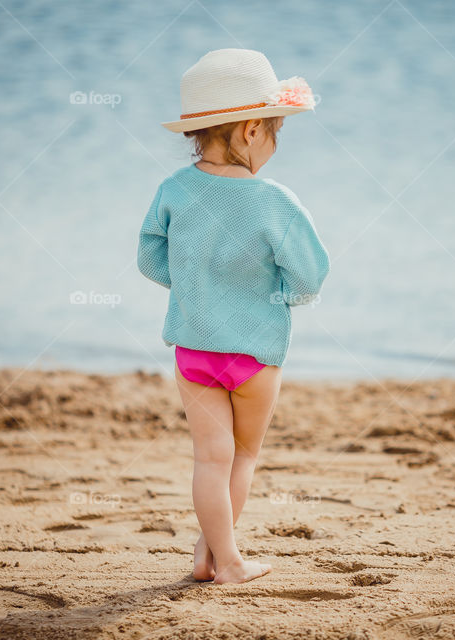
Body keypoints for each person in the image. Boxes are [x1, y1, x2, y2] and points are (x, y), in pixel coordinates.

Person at [137, 49, 330, 584]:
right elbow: (310, 277)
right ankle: (229, 563)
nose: (274, 144)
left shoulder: (173, 189)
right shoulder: (275, 202)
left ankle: (208, 556)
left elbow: (150, 257)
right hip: (254, 354)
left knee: (209, 459)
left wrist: (197, 289)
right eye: (276, 132)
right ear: (251, 130)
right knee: (243, 458)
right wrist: (272, 296)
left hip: (194, 350)